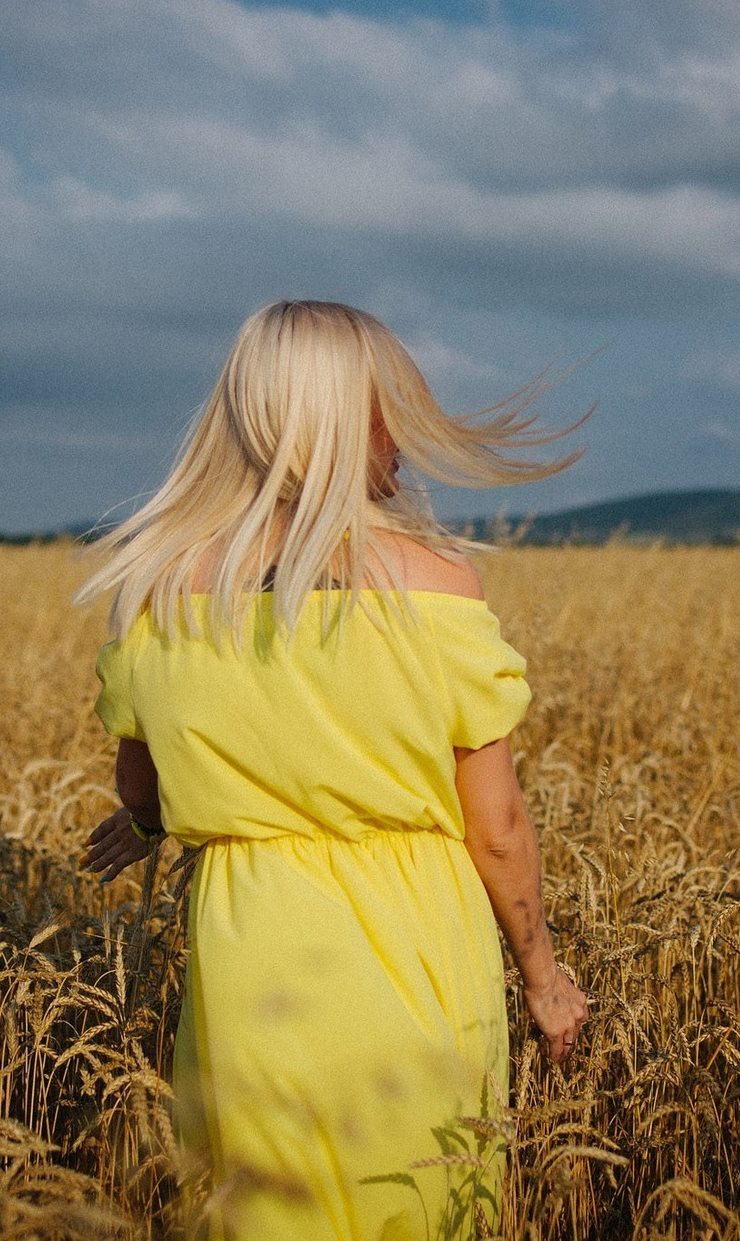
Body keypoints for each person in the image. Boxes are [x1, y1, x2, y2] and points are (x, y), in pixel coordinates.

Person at [75, 299, 591, 1238]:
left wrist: (151, 824)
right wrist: (545, 978)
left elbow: (142, 790)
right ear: (346, 420)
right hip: (421, 951)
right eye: (393, 408)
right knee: (425, 1198)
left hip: (251, 958)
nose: (410, 437)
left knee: (260, 1212)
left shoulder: (158, 590)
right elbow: (499, 827)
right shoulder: (439, 587)